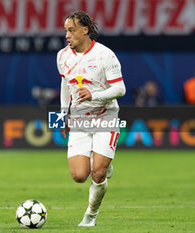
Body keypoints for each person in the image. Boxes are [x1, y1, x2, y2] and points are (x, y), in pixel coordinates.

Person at [56, 11, 126, 227]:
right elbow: (65, 85)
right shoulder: (62, 56)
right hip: (79, 119)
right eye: (66, 31)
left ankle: (90, 215)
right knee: (79, 176)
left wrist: (94, 95)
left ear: (85, 30)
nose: (67, 35)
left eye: (71, 30)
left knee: (98, 173)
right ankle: (104, 162)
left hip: (105, 117)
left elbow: (120, 89)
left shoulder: (105, 55)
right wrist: (62, 115)